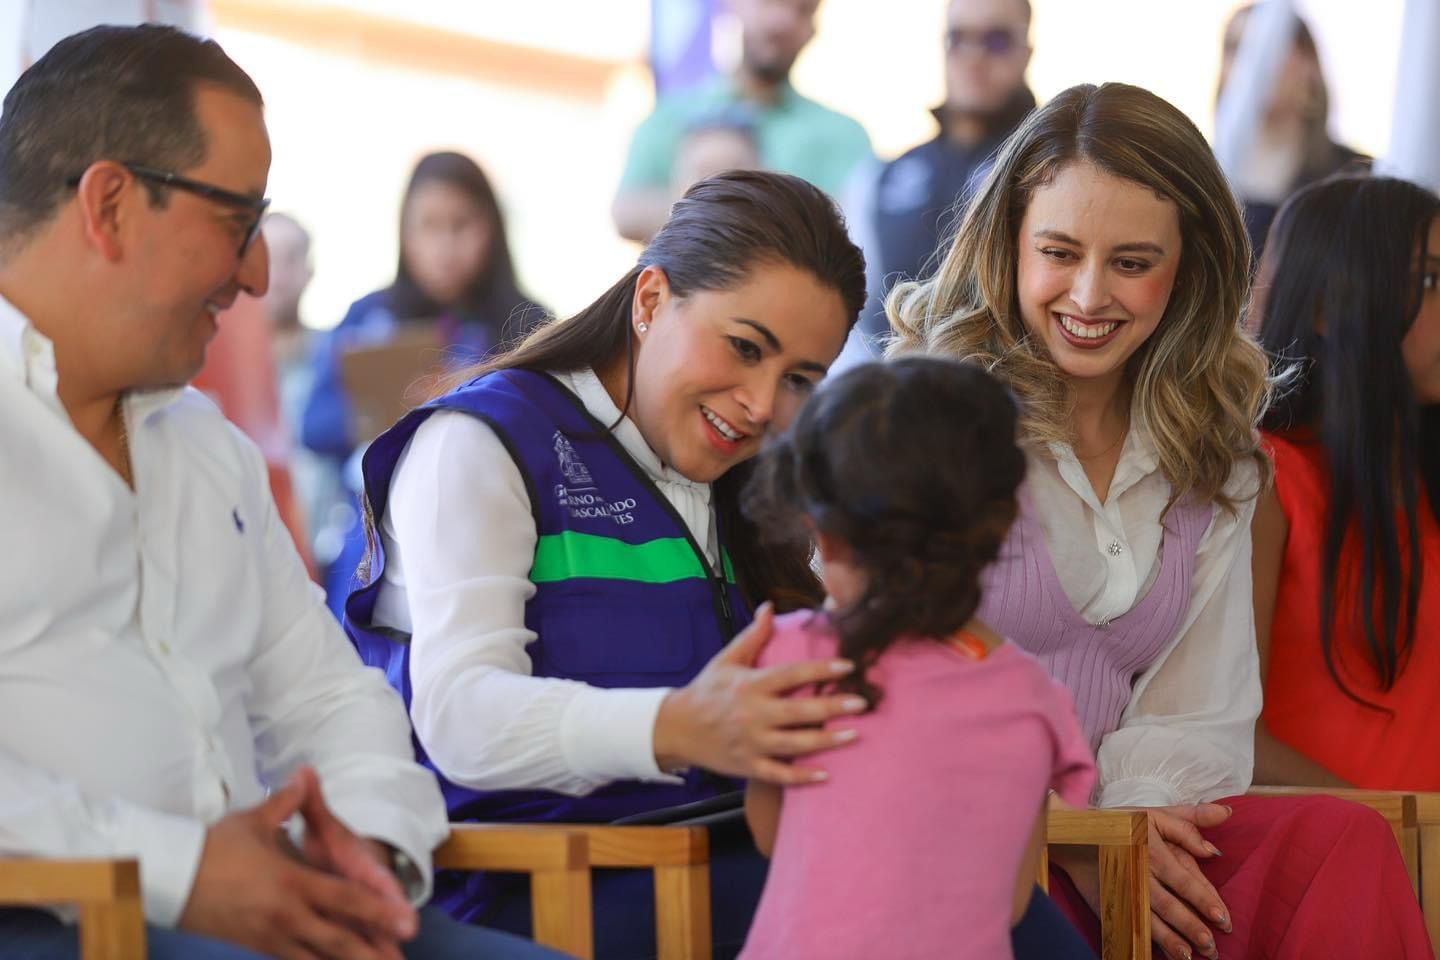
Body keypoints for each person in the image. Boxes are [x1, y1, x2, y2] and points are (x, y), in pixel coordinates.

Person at [0, 23, 561, 960]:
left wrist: (365, 843)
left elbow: (331, 699)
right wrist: (184, 871)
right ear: (110, 205)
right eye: (236, 222)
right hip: (61, 922)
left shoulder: (206, 448)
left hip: (288, 910)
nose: (259, 275)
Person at [890, 81, 1433, 960]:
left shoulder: (1218, 457)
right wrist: (1070, 835)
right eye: (1058, 252)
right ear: (1009, 244)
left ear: (1189, 267)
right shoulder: (923, 418)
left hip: (1128, 824)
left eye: (1132, 262)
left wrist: (1123, 841)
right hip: (951, 829)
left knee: (1340, 842)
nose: (1089, 295)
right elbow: (880, 688)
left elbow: (1197, 708)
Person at [344, 170, 869, 959]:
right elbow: (460, 718)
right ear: (650, 299)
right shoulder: (481, 442)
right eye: (744, 347)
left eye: (798, 379)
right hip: (534, 893)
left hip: (722, 867)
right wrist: (677, 727)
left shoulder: (754, 486)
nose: (763, 404)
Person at [737, 356, 1097, 960]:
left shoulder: (790, 655)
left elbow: (770, 834)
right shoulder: (1036, 698)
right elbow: (1011, 901)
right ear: (998, 523)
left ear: (826, 536)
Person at [1249, 174, 1440, 789]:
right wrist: (1392, 832)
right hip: (1334, 846)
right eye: (1431, 281)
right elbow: (1221, 733)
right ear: (1327, 306)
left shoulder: (1421, 481)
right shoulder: (1265, 477)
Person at [302, 150, 544, 610]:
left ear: (493, 227)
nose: (444, 246)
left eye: (462, 225)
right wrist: (399, 402)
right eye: (428, 226)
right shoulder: (370, 318)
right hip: (376, 541)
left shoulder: (527, 325)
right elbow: (314, 426)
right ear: (404, 231)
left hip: (495, 539)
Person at [612, 0, 872, 244]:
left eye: (803, 10)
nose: (783, 21)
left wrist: (721, 200)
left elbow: (856, 227)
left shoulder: (843, 134)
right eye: (771, 2)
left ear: (813, 30)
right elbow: (626, 213)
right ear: (734, 4)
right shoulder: (670, 114)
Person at [854, 0, 1035, 343]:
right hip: (893, 367)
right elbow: (864, 302)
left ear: (1026, 53)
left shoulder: (1051, 165)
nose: (974, 56)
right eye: (958, 38)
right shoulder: (890, 173)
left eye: (996, 40)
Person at [1217, 3, 1367, 264]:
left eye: (1269, 46)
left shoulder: (1358, 180)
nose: (1253, 64)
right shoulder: (1200, 172)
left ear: (1309, 64)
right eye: (1236, 48)